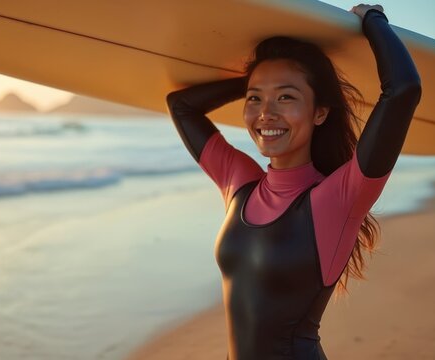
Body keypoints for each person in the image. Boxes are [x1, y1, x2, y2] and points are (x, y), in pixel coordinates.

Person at [165, 4, 421, 360]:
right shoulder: (240, 184)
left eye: (286, 96)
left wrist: (373, 19)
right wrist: (255, 79)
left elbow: (403, 90)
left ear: (320, 112)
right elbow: (180, 106)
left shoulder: (338, 198)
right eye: (255, 99)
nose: (266, 112)